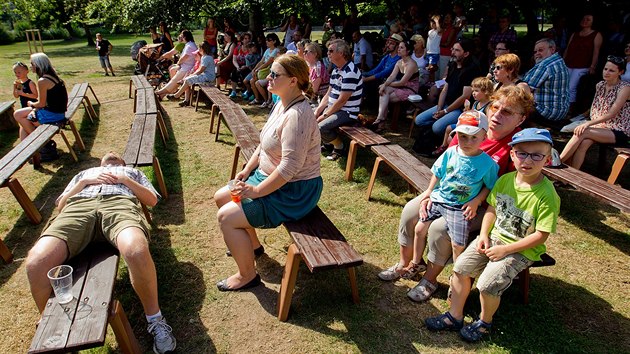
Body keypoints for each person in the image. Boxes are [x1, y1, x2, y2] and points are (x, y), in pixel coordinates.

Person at [379, 86, 533, 303]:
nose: (497, 115)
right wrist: (429, 194)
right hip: (446, 194)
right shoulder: (469, 128)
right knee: (410, 211)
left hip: (484, 206)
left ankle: (430, 279)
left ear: (520, 119)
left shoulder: (518, 147)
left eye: (507, 112)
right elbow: (446, 166)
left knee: (439, 230)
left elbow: (509, 191)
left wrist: (477, 201)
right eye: (495, 107)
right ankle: (409, 264)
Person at [24, 152, 176, 353]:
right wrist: (85, 182)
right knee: (36, 262)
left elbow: (151, 200)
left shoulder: (131, 172)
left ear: (123, 162)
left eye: (116, 157)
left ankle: (155, 320)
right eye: (108, 156)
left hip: (119, 204)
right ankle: (51, 326)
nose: (112, 154)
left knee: (136, 250)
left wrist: (124, 180)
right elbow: (61, 206)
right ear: (100, 163)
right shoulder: (85, 173)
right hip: (78, 208)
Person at [424, 128, 560, 343]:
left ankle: (484, 323)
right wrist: (485, 235)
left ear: (548, 159)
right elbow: (492, 209)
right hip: (493, 239)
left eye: (537, 155)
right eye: (522, 153)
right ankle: (454, 316)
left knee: (487, 284)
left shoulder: (547, 194)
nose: (528, 160)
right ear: (512, 155)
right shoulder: (505, 180)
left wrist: (505, 250)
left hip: (521, 249)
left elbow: (541, 235)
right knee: (460, 268)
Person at [213, 55, 323, 291]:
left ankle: (247, 276)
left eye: (274, 74)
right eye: (269, 73)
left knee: (226, 217)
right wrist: (247, 169)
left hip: (294, 190)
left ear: (293, 81)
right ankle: (252, 246)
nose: (267, 77)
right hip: (271, 179)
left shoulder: (298, 116)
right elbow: (264, 143)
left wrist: (256, 190)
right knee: (222, 197)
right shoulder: (282, 101)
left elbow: (290, 167)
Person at [403, 111, 498, 286]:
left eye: (473, 138)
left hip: (459, 207)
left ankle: (458, 274)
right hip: (440, 199)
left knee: (457, 244)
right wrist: (429, 191)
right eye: (462, 137)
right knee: (419, 229)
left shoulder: (488, 163)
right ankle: (416, 263)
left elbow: (490, 186)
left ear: (484, 136)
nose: (467, 142)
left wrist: (477, 200)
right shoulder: (451, 152)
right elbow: (437, 172)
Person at [560, 56, 630, 169]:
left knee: (582, 132)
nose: (606, 72)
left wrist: (588, 123)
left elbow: (612, 113)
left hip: (619, 130)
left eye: (611, 70)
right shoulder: (600, 85)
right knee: (584, 143)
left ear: (620, 72)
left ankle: (556, 163)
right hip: (601, 127)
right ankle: (569, 177)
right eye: (605, 69)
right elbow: (596, 108)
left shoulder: (625, 88)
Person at [413, 38, 480, 155]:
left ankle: (440, 139)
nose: (452, 52)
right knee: (419, 120)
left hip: (460, 109)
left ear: (466, 53)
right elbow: (445, 88)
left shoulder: (471, 70)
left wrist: (444, 112)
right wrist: (439, 108)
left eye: (457, 50)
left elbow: (465, 96)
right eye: (452, 49)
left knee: (437, 128)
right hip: (446, 105)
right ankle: (434, 134)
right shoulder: (452, 64)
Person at [315, 39, 363, 161]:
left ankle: (339, 147)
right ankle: (328, 143)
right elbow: (329, 93)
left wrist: (324, 115)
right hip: (335, 109)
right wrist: (318, 111)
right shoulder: (337, 69)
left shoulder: (350, 71)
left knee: (321, 127)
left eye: (331, 51)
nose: (328, 53)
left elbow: (342, 100)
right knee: (310, 116)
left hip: (347, 112)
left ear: (341, 53)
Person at [432, 77, 494, 157]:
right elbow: (471, 113)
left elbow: (487, 122)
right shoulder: (476, 103)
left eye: (476, 91)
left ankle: (454, 152)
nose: (473, 93)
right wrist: (467, 111)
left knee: (452, 138)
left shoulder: (488, 106)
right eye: (473, 91)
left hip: (476, 130)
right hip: (468, 125)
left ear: (486, 91)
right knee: (448, 128)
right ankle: (443, 147)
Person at [13, 53, 67, 141]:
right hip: (58, 112)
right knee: (21, 119)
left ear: (38, 65)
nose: (30, 66)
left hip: (53, 115)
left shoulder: (43, 80)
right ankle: (33, 148)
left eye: (32, 64)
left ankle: (41, 141)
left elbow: (41, 104)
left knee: (19, 116)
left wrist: (31, 104)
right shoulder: (52, 76)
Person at [372, 40, 420, 132]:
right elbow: (391, 76)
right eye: (398, 48)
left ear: (408, 51)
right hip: (400, 86)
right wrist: (384, 85)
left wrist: (385, 85)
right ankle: (380, 119)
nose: (398, 50)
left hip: (410, 89)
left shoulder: (412, 64)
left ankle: (380, 122)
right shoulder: (399, 62)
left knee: (384, 96)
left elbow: (402, 82)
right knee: (384, 92)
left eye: (401, 48)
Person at [522, 38, 570, 123]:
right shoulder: (559, 60)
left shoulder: (546, 65)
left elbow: (525, 89)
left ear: (552, 49)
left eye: (540, 50)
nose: (537, 54)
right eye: (535, 52)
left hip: (546, 112)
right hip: (560, 111)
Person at [563, 14, 603, 106]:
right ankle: (563, 106)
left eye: (588, 20)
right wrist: (563, 62)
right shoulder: (575, 34)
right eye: (584, 19)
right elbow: (568, 48)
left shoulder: (596, 34)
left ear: (593, 22)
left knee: (571, 87)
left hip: (583, 65)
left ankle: (570, 108)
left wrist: (592, 66)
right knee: (564, 86)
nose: (584, 21)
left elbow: (596, 52)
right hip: (568, 63)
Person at [166, 42, 216, 106]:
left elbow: (200, 70)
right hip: (205, 76)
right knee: (186, 80)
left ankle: (177, 96)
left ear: (202, 49)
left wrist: (192, 75)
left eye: (199, 48)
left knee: (187, 80)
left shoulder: (207, 58)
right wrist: (191, 75)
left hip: (208, 77)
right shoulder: (205, 57)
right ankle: (181, 97)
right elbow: (200, 70)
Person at [155, 30, 197, 100]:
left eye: (182, 36)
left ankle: (160, 92)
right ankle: (162, 94)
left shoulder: (190, 46)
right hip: (185, 67)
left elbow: (184, 58)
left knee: (174, 81)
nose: (181, 37)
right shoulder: (189, 44)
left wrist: (178, 64)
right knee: (174, 80)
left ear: (185, 37)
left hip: (187, 68)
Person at [248, 33, 281, 107]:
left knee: (257, 83)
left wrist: (257, 70)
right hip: (263, 72)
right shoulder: (267, 50)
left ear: (274, 41)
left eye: (269, 40)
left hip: (268, 72)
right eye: (266, 40)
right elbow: (262, 61)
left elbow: (268, 62)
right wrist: (254, 69)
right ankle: (257, 99)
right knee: (252, 81)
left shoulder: (276, 51)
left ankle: (266, 100)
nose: (267, 42)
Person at [229, 32, 253, 98]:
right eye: (245, 38)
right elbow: (234, 59)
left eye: (248, 38)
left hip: (248, 66)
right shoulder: (238, 48)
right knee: (234, 73)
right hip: (239, 65)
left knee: (245, 73)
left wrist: (245, 66)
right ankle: (233, 91)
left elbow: (253, 61)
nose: (247, 40)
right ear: (242, 40)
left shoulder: (251, 49)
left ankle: (248, 91)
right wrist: (237, 67)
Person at [438, 12, 460, 81]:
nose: (446, 19)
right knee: (436, 73)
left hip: (446, 53)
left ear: (452, 20)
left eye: (448, 17)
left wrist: (437, 44)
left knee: (442, 74)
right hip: (438, 52)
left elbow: (447, 43)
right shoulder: (442, 28)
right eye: (445, 17)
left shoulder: (452, 29)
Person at [426, 15, 443, 81]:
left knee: (431, 68)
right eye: (431, 22)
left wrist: (437, 21)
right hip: (428, 52)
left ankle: (432, 82)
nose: (433, 24)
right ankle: (430, 81)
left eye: (434, 23)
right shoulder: (430, 31)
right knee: (429, 68)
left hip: (434, 53)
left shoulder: (439, 32)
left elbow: (439, 29)